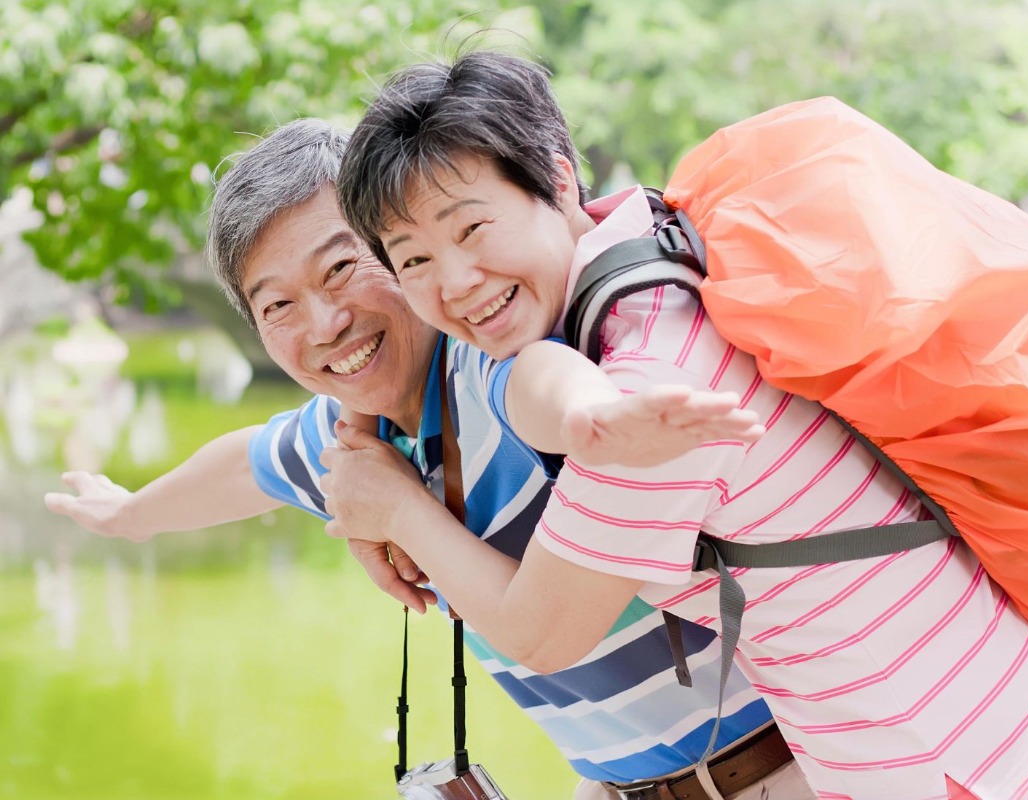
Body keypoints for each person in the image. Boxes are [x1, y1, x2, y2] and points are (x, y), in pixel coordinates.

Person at [324, 51, 1028, 800]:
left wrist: (397, 511)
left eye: (471, 229)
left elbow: (540, 634)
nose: (456, 283)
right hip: (1004, 702)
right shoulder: (650, 238)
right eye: (414, 261)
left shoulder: (653, 403)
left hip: (967, 753)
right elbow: (533, 381)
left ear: (560, 181)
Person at [44, 119, 816, 800]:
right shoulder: (349, 441)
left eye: (342, 267)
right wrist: (131, 514)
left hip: (782, 767)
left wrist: (596, 417)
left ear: (398, 244)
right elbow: (245, 464)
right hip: (623, 786)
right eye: (278, 305)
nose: (326, 322)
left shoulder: (480, 353)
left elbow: (541, 380)